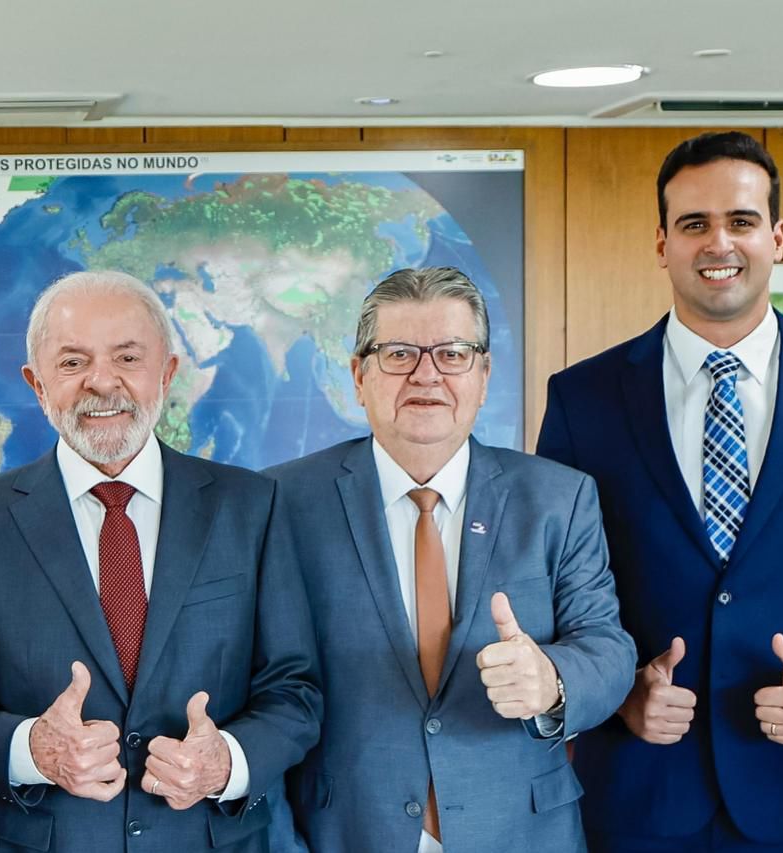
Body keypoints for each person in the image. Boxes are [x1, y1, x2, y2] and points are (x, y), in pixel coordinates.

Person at [0, 269, 321, 853]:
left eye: (127, 358)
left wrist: (226, 762)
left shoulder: (252, 505)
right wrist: (34, 750)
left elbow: (295, 690)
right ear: (37, 384)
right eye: (72, 362)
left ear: (168, 373)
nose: (101, 382)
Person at [538, 131, 783, 851]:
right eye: (694, 223)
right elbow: (550, 589)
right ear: (662, 244)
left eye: (741, 220)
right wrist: (616, 691)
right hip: (634, 797)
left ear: (777, 238)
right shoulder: (582, 399)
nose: (719, 242)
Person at [265, 266, 634, 853]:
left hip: (520, 833)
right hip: (344, 832)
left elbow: (607, 646)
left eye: (453, 354)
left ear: (483, 376)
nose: (426, 374)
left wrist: (551, 680)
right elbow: (259, 690)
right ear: (359, 376)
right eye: (399, 354)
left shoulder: (558, 499)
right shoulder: (280, 503)